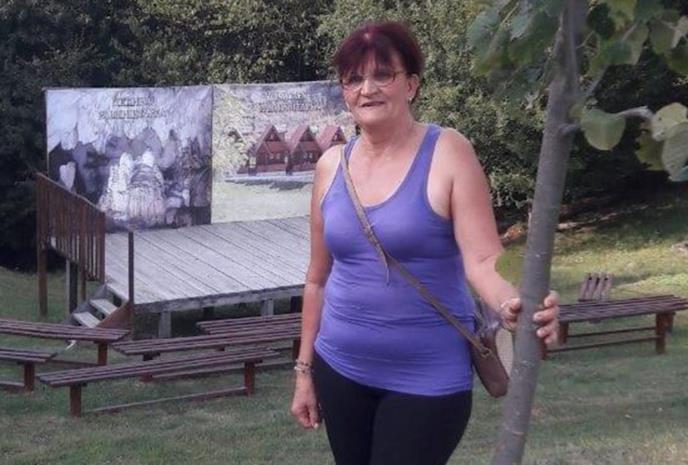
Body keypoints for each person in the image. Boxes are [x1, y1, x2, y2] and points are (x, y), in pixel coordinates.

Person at [290, 21, 560, 465]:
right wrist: (304, 371)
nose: (367, 89)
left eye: (383, 74)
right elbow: (317, 279)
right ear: (344, 93)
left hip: (427, 380)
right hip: (339, 369)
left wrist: (516, 303)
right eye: (354, 79)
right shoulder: (330, 166)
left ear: (412, 85)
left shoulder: (448, 152)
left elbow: (484, 259)